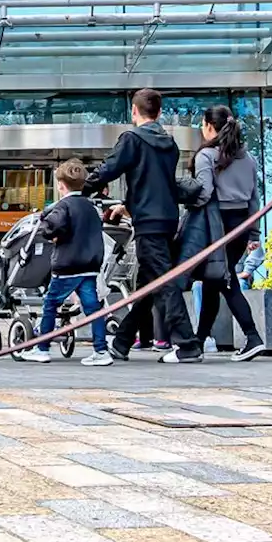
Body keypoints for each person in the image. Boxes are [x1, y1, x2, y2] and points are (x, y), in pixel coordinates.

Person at [83, 88, 202, 364]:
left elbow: (110, 169)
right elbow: (154, 183)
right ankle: (122, 341)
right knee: (151, 282)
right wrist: (127, 204)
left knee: (163, 281)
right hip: (167, 217)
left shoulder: (132, 139)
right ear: (159, 113)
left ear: (134, 112)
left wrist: (82, 189)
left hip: (147, 220)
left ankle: (187, 345)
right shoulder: (169, 144)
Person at [190, 105, 266, 362]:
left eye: (202, 124)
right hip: (241, 224)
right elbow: (254, 199)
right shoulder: (248, 158)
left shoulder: (206, 157)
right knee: (214, 281)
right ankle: (198, 342)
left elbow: (204, 193)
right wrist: (254, 234)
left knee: (224, 279)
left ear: (210, 127)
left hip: (216, 224)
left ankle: (252, 336)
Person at [19, 159, 111, 366]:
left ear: (61, 185)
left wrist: (51, 234)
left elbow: (52, 228)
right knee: (92, 307)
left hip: (67, 265)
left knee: (51, 304)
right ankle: (101, 350)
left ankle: (42, 348)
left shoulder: (63, 206)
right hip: (90, 265)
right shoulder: (91, 206)